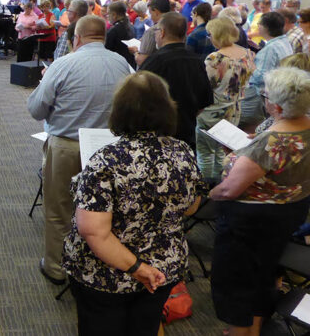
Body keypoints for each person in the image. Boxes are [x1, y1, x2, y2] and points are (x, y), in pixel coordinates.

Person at [63, 71, 206, 336]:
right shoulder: (183, 151)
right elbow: (191, 206)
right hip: (163, 268)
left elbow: (93, 230)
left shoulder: (106, 160)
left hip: (107, 275)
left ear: (120, 111)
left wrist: (138, 268)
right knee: (145, 327)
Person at [27, 16, 133, 286]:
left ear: (77, 38)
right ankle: (99, 263)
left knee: (59, 207)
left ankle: (56, 267)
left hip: (67, 146)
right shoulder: (122, 63)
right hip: (110, 147)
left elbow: (35, 109)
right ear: (103, 36)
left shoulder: (63, 64)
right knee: (104, 210)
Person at [209, 67, 310, 336]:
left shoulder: (271, 142)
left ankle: (240, 332)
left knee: (238, 283)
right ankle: (253, 329)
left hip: (251, 222)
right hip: (291, 211)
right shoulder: (304, 126)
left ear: (275, 106)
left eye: (264, 95)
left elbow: (229, 190)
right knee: (264, 274)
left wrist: (208, 195)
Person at [139, 12, 213, 148]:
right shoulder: (196, 61)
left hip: (157, 137)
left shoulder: (154, 61)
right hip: (186, 136)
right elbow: (204, 102)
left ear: (161, 32)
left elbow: (138, 99)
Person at [196, 17, 256, 182]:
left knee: (205, 154)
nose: (209, 38)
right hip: (235, 110)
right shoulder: (248, 54)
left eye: (210, 35)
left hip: (212, 112)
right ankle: (221, 182)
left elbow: (204, 86)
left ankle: (206, 188)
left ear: (217, 35)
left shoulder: (215, 58)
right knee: (224, 153)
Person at [241, 11, 293, 131]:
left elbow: (259, 77)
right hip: (276, 95)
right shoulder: (284, 42)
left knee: (247, 128)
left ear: (265, 27)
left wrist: (249, 64)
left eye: (259, 24)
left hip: (260, 99)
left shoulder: (270, 49)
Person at [135, 0, 171, 66]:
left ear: (156, 12)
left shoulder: (152, 31)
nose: (150, 17)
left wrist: (135, 52)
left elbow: (142, 61)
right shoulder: (178, 26)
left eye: (151, 13)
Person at [104, 1, 136, 68]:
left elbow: (106, 50)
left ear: (114, 15)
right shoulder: (131, 26)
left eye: (108, 14)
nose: (107, 16)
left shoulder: (114, 30)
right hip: (129, 64)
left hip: (116, 65)